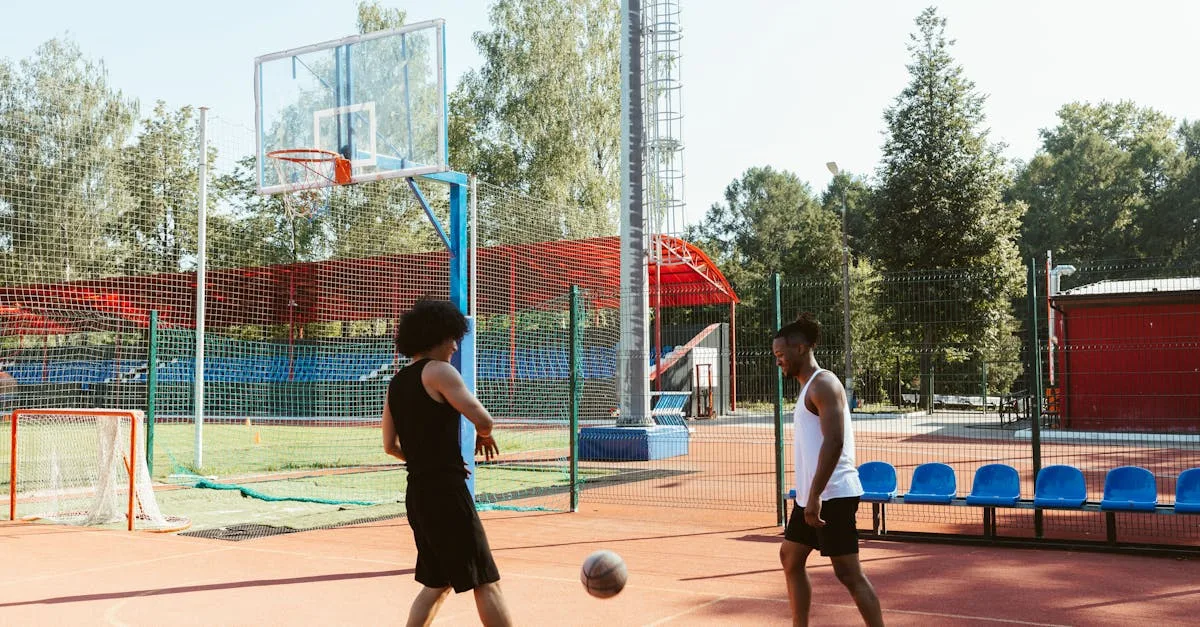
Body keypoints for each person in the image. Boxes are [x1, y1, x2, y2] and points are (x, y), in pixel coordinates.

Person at [381, 299, 513, 627]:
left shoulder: (396, 383)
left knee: (438, 583)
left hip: (419, 494)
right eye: (452, 338)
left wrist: (429, 461)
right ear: (436, 336)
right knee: (485, 580)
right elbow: (483, 418)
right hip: (445, 494)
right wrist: (484, 434)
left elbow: (389, 446)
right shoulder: (439, 371)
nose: (455, 345)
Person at [772, 312, 883, 627]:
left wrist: (816, 494)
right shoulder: (808, 386)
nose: (778, 361)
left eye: (781, 355)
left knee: (848, 573)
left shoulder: (824, 383)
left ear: (801, 348)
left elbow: (834, 442)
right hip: (813, 496)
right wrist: (809, 495)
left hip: (832, 494)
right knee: (790, 557)